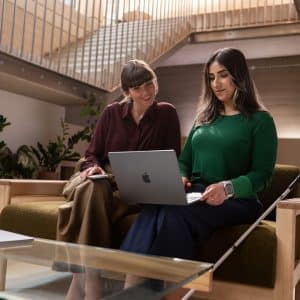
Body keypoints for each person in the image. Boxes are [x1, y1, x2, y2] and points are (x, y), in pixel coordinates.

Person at [120, 48, 278, 299]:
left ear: (239, 75)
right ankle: (131, 285)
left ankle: (152, 292)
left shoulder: (261, 121)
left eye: (223, 75)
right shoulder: (204, 118)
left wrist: (227, 188)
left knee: (175, 211)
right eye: (211, 77)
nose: (216, 83)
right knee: (156, 204)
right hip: (197, 192)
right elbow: (184, 161)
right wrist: (181, 176)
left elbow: (262, 175)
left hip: (237, 200)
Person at [59, 59, 181, 300]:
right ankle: (93, 278)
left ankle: (83, 280)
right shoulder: (111, 113)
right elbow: (92, 153)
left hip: (139, 191)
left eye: (149, 84)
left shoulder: (167, 114)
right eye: (137, 88)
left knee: (89, 195)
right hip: (104, 183)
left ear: (155, 82)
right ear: (127, 92)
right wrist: (93, 168)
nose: (146, 92)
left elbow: (173, 159)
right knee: (94, 187)